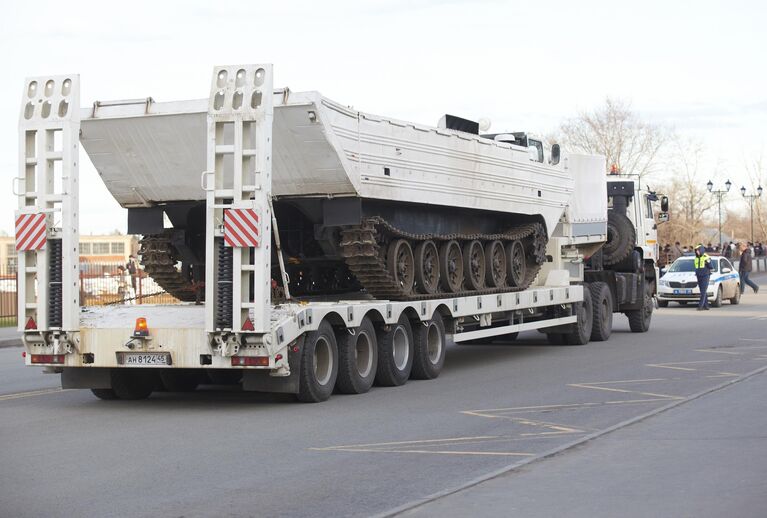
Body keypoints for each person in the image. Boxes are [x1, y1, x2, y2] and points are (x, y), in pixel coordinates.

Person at [694, 244, 713, 310]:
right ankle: (706, 306)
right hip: (699, 276)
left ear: (701, 250)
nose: (697, 252)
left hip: (705, 276)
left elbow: (711, 267)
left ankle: (700, 306)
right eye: (696, 251)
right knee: (703, 291)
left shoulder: (706, 257)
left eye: (698, 250)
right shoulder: (696, 258)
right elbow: (696, 267)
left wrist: (706, 263)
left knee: (703, 291)